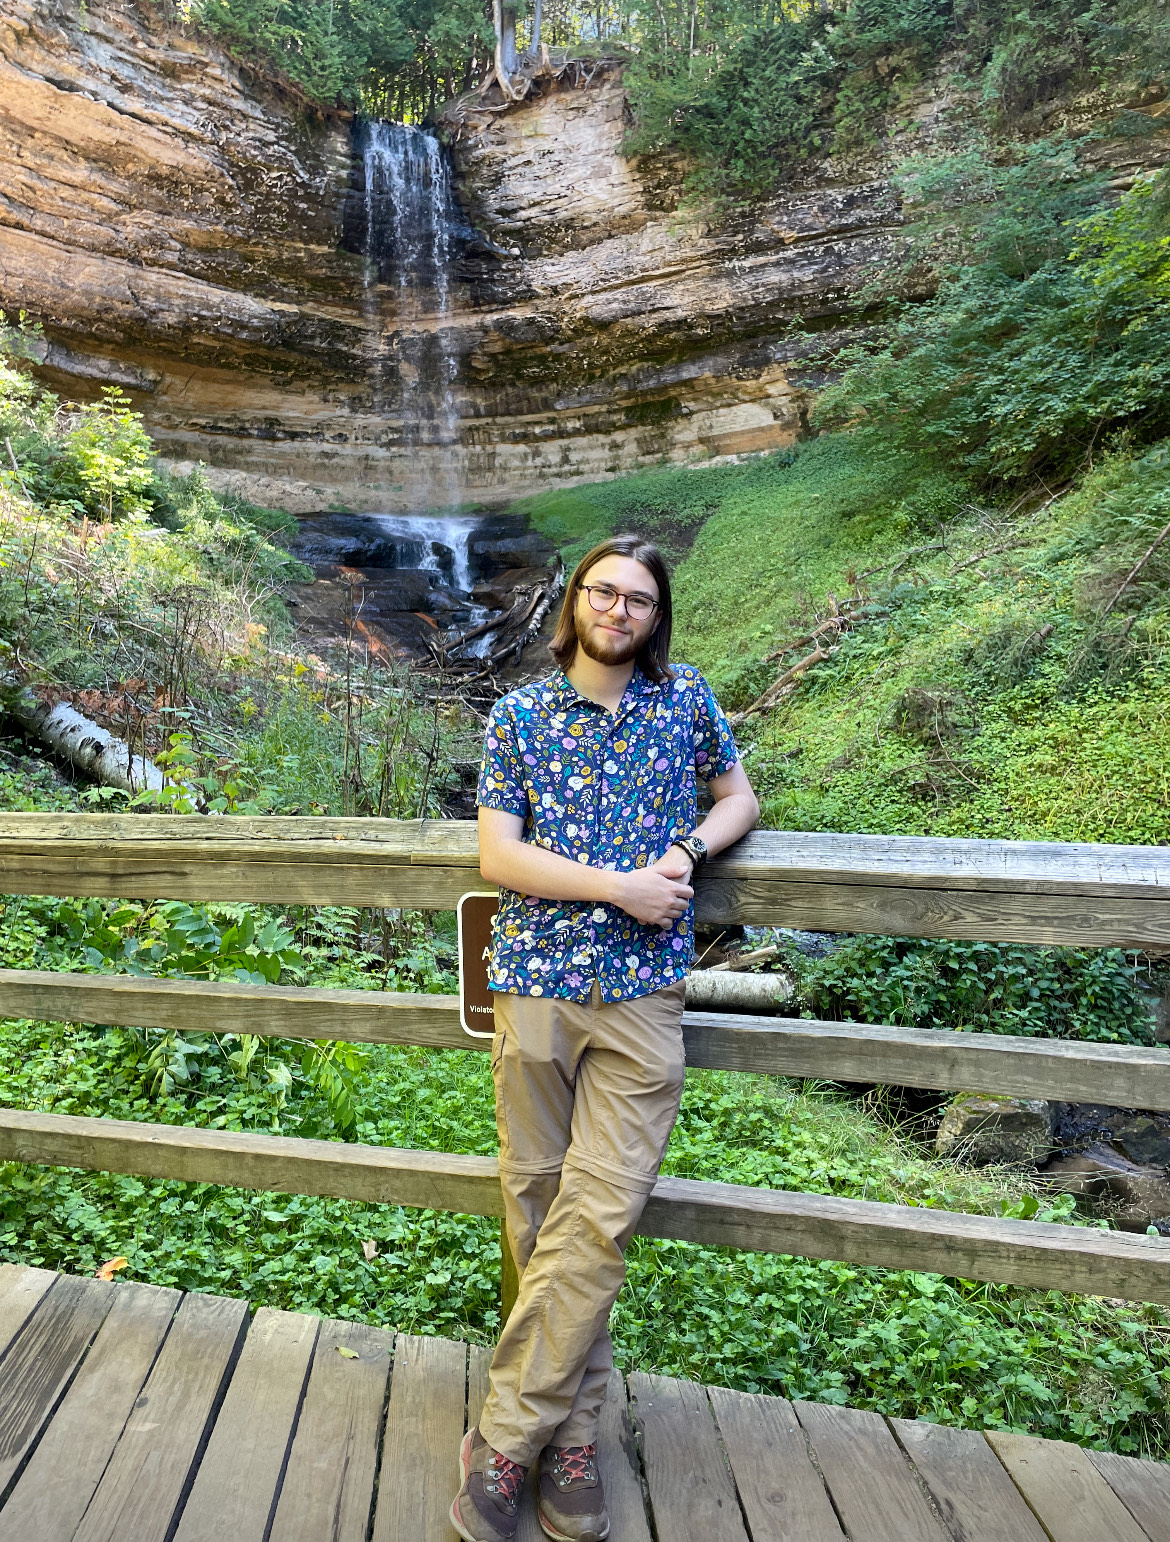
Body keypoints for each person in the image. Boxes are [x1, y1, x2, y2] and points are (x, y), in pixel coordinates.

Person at [450, 534, 759, 1542]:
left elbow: (739, 797)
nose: (619, 608)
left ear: (655, 617)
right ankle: (575, 1433)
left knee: (600, 1217)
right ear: (574, 600)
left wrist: (684, 848)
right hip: (537, 987)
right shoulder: (520, 715)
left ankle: (503, 1445)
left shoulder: (687, 702)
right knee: (538, 1211)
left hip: (642, 1001)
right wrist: (619, 886)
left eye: (638, 599)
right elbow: (501, 855)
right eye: (604, 590)